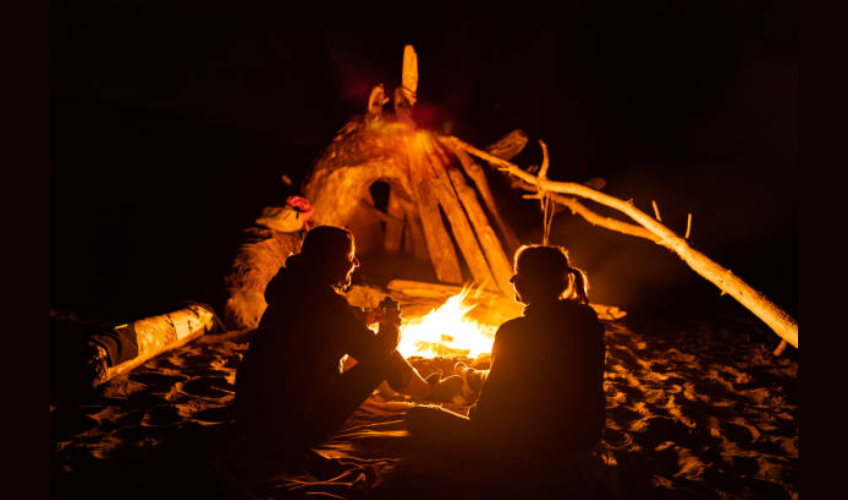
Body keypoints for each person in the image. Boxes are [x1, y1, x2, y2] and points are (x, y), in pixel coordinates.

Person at [234, 226, 432, 458]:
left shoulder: (291, 286)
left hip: (250, 413)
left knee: (360, 348)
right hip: (292, 428)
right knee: (382, 356)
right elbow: (375, 350)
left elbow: (317, 326)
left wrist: (366, 319)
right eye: (350, 257)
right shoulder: (325, 304)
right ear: (329, 260)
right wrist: (391, 326)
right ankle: (429, 393)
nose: (356, 263)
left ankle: (425, 388)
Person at [406, 244, 607, 463]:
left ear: (527, 282)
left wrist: (465, 409)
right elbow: (544, 375)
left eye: (518, 274)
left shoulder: (513, 332)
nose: (514, 281)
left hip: (528, 444)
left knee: (418, 416)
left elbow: (490, 410)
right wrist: (474, 377)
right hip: (584, 438)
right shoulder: (588, 322)